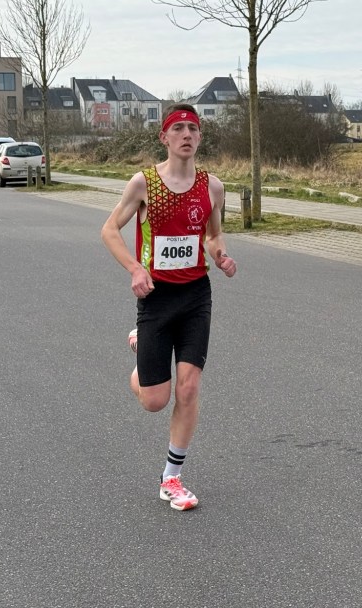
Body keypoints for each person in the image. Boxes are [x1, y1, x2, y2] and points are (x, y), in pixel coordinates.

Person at [101, 103, 237, 511]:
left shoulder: (213, 187)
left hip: (196, 295)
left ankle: (172, 477)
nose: (186, 134)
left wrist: (220, 255)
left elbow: (213, 235)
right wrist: (134, 269)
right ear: (164, 137)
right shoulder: (143, 183)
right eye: (177, 128)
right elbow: (109, 230)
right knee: (154, 400)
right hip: (156, 297)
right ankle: (142, 352)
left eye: (193, 128)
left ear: (200, 137)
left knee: (189, 387)